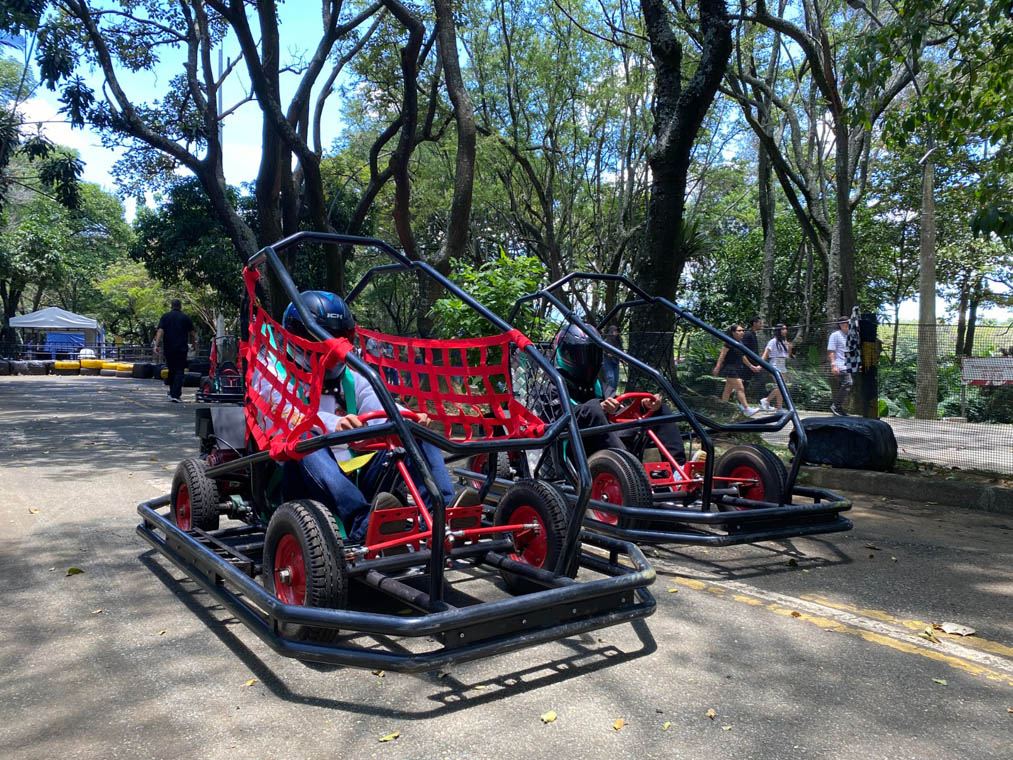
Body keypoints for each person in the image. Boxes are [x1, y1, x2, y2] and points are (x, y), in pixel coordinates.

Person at [275, 291, 459, 543]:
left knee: (414, 431)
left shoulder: (352, 377)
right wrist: (333, 424)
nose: (334, 348)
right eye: (324, 338)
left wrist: (409, 417)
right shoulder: (274, 375)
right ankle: (363, 524)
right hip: (302, 478)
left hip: (357, 475)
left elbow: (380, 405)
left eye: (340, 338)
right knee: (305, 439)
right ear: (300, 338)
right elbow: (286, 414)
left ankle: (444, 513)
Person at [537, 323, 686, 465]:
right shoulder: (553, 386)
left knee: (659, 410)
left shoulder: (598, 386)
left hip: (607, 445)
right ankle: (631, 475)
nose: (586, 360)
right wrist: (598, 408)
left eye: (591, 354)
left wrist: (643, 406)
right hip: (573, 448)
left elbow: (620, 411)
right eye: (579, 355)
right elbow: (556, 420)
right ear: (565, 354)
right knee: (593, 409)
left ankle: (679, 472)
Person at [153, 298, 195, 403]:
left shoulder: (165, 317)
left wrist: (156, 345)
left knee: (171, 370)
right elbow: (192, 333)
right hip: (181, 348)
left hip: (169, 348)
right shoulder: (185, 318)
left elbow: (160, 331)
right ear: (180, 306)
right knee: (179, 371)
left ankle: (172, 393)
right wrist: (193, 344)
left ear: (171, 306)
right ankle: (175, 394)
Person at [713, 324, 761, 415]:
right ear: (733, 333)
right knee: (740, 388)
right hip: (729, 369)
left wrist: (751, 366)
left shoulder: (740, 342)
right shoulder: (728, 342)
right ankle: (746, 409)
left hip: (737, 368)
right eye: (739, 331)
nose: (742, 332)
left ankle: (722, 409)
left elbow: (742, 356)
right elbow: (722, 355)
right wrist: (717, 367)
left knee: (727, 390)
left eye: (742, 330)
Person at [759, 323, 791, 411]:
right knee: (781, 386)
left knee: (781, 387)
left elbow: (788, 355)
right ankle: (766, 400)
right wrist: (760, 363)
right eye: (783, 329)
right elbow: (766, 353)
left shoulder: (784, 342)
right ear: (778, 330)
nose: (785, 331)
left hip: (783, 363)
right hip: (775, 363)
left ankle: (779, 408)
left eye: (786, 329)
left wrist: (789, 347)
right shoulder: (773, 341)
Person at [827, 316, 851, 416]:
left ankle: (838, 409)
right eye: (844, 324)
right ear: (840, 325)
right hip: (839, 365)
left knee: (845, 386)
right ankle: (836, 406)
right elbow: (831, 351)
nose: (846, 325)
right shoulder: (835, 335)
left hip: (848, 365)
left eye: (848, 323)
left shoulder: (851, 335)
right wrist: (834, 365)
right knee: (848, 382)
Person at [602, 324, 623, 392]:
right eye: (614, 331)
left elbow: (621, 350)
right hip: (608, 361)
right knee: (610, 378)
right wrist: (607, 354)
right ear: (611, 331)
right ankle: (608, 394)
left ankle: (613, 394)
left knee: (616, 380)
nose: (616, 332)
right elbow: (602, 350)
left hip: (616, 362)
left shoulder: (619, 341)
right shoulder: (606, 341)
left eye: (616, 331)